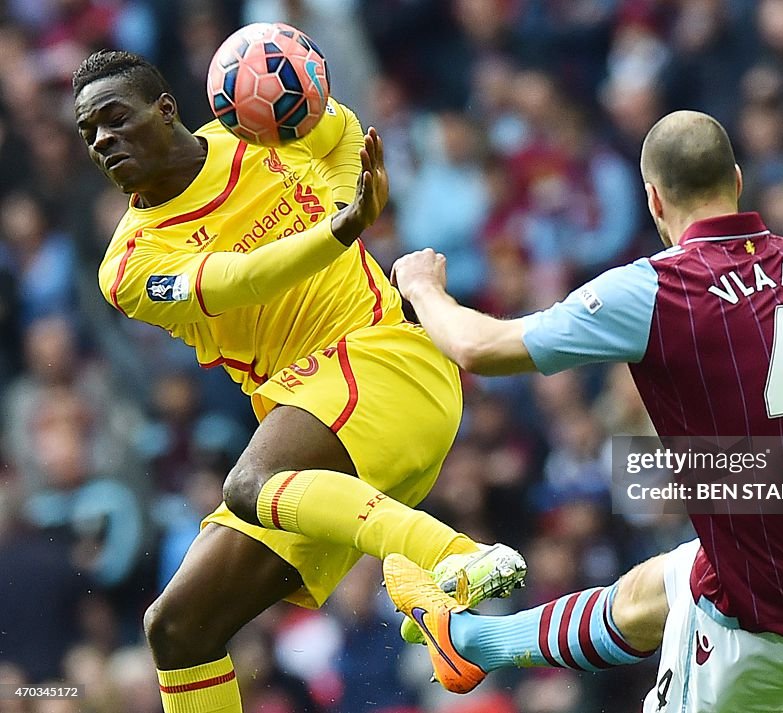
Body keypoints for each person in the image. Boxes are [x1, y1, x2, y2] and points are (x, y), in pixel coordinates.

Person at [384, 110, 783, 711]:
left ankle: (469, 641)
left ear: (653, 200)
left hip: (765, 617)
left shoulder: (656, 291)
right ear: (738, 180)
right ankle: (470, 641)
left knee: (699, 591)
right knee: (657, 588)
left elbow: (478, 348)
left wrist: (425, 288)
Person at [71, 50, 525, 713]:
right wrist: (341, 229)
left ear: (165, 109)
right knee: (178, 626)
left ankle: (451, 552)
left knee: (247, 484)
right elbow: (239, 278)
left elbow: (339, 128)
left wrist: (344, 199)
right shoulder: (132, 263)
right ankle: (424, 588)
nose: (103, 141)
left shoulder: (254, 125)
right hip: (323, 454)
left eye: (114, 119)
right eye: (90, 134)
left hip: (386, 357)